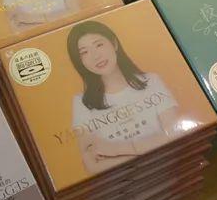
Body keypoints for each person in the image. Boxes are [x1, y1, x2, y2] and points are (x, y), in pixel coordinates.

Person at [67, 20, 180, 174]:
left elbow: (174, 134)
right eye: (84, 52)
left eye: (99, 45)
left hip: (167, 169)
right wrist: (149, 146)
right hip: (125, 181)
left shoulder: (151, 81)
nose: (95, 56)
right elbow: (92, 165)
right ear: (80, 61)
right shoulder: (81, 103)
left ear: (114, 44)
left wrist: (116, 149)